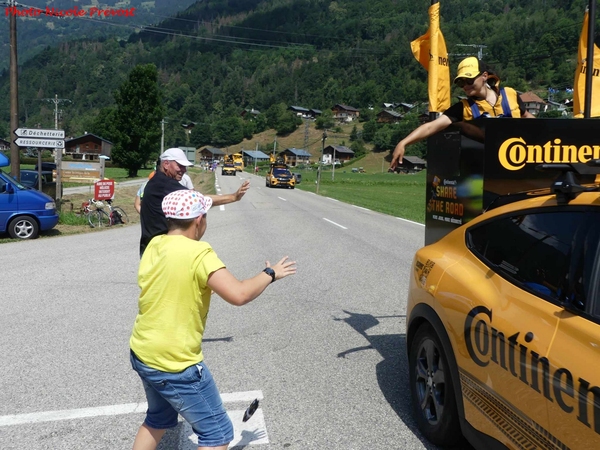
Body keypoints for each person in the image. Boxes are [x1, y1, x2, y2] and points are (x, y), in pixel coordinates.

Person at [130, 189, 296, 450]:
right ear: (199, 220)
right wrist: (270, 273)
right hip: (175, 362)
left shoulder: (155, 243)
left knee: (158, 417)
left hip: (143, 351)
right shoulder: (199, 253)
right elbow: (239, 294)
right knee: (217, 433)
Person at [390, 56, 535, 169]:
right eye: (461, 83)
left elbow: (527, 117)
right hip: (488, 169)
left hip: (521, 163)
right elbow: (431, 126)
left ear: (484, 76)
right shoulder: (463, 108)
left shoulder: (510, 94)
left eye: (469, 80)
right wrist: (403, 143)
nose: (465, 86)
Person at [139, 147, 250, 255]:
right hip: (161, 251)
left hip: (151, 248)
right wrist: (233, 197)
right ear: (166, 164)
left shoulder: (156, 181)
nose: (184, 170)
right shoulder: (166, 184)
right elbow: (197, 199)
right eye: (180, 165)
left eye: (185, 166)